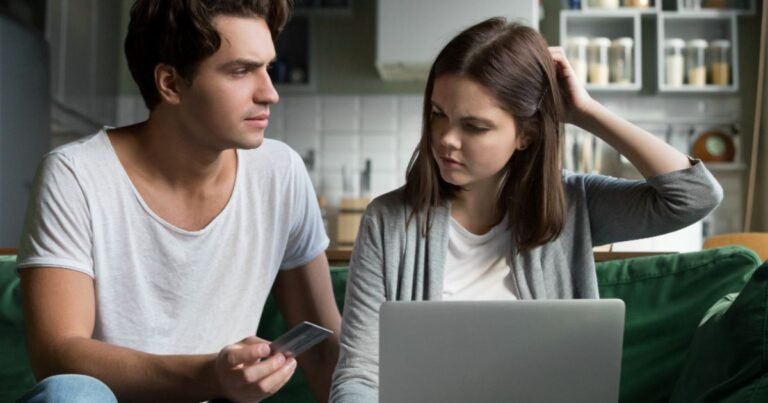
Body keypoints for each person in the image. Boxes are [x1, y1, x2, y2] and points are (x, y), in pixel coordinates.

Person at [330, 17, 722, 402]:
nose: (447, 139)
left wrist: (584, 112)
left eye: (475, 126)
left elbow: (693, 196)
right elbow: (359, 374)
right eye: (438, 115)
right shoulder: (387, 221)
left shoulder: (573, 203)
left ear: (526, 134)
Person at [16, 0, 341, 402]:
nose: (269, 93)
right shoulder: (75, 175)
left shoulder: (280, 173)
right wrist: (211, 375)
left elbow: (326, 352)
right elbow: (56, 355)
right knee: (71, 393)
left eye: (267, 68)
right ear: (170, 84)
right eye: (240, 71)